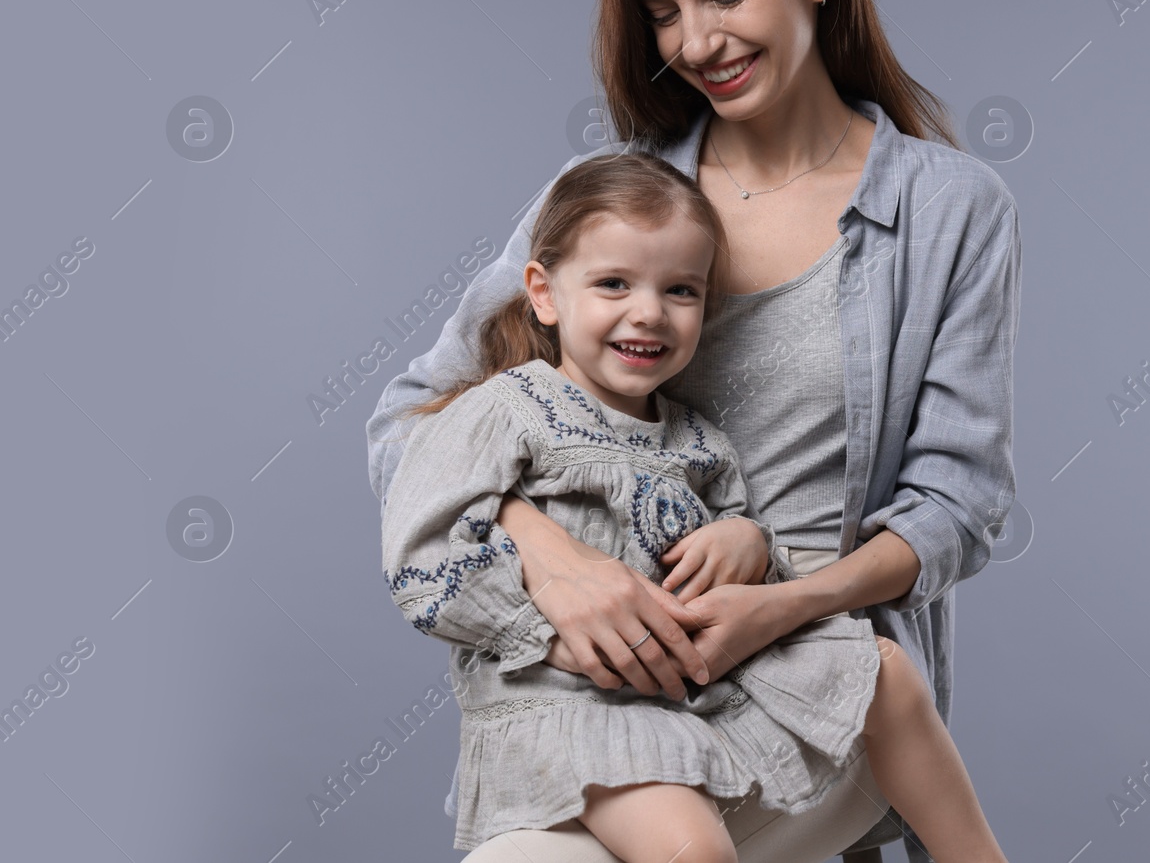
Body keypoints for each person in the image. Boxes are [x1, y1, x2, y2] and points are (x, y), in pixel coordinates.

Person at [366, 0, 1022, 863]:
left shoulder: (949, 210)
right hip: (611, 691)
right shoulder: (609, 205)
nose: (694, 42)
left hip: (816, 677)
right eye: (664, 11)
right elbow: (414, 422)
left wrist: (777, 599)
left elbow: (957, 507)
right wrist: (553, 555)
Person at [380, 153, 1009, 861]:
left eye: (679, 290)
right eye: (613, 283)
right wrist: (556, 638)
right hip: (571, 707)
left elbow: (744, 536)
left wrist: (746, 538)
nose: (648, 311)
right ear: (544, 292)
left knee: (886, 668)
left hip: (687, 693)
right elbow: (423, 561)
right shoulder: (505, 410)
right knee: (695, 851)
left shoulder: (696, 437)